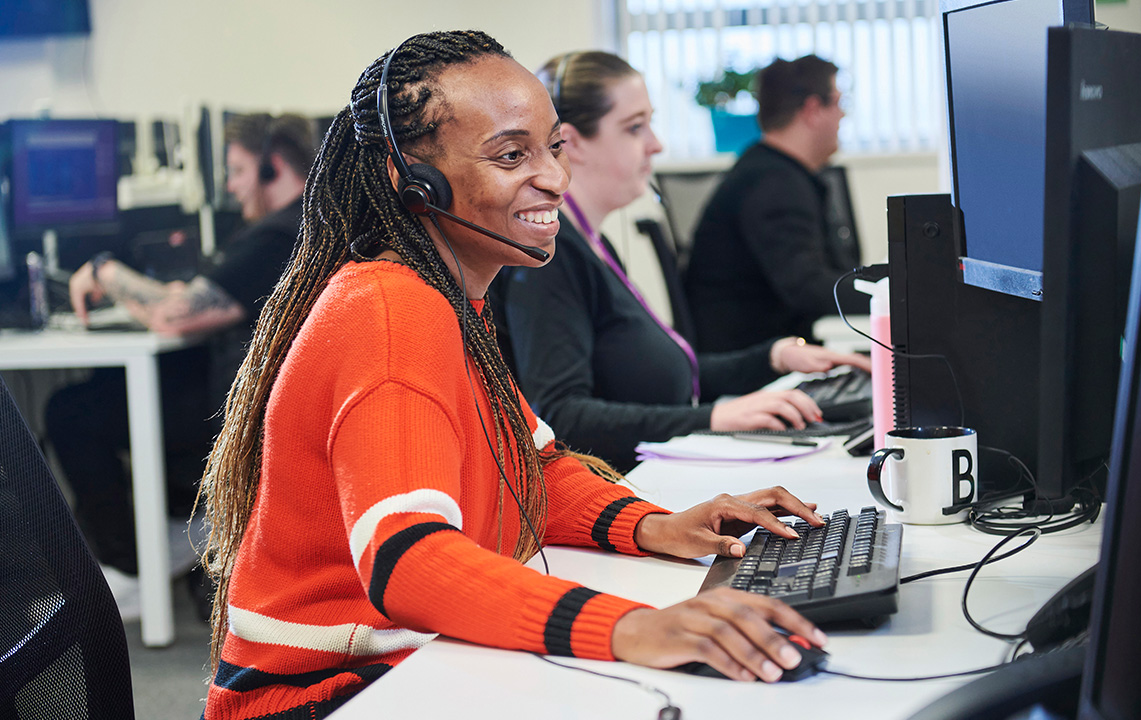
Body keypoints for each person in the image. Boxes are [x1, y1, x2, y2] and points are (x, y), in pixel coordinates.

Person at [199, 32, 829, 720]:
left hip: (407, 665)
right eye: (510, 155)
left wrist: (658, 526)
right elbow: (409, 562)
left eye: (553, 147)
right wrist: (629, 628)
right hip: (326, 698)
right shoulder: (390, 310)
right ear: (411, 181)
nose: (555, 179)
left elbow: (533, 468)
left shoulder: (449, 297)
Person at [493, 51, 870, 472]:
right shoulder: (550, 261)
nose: (656, 144)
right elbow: (563, 418)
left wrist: (775, 356)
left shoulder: (594, 246)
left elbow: (665, 379)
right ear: (574, 143)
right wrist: (713, 418)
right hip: (622, 491)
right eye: (635, 127)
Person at [44, 113, 315, 593]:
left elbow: (176, 315)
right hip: (255, 398)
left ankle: (131, 569)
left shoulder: (279, 234)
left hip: (237, 412)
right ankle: (171, 532)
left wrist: (106, 272)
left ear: (272, 168)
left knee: (70, 411)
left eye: (236, 171)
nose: (230, 187)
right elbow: (209, 293)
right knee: (102, 394)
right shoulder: (303, 223)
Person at [683, 55, 867, 353]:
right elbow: (808, 287)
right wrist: (896, 297)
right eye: (838, 102)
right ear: (812, 109)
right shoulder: (774, 184)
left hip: (774, 348)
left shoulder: (773, 170)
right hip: (757, 362)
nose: (843, 116)